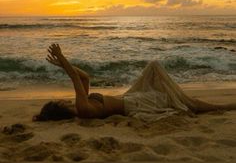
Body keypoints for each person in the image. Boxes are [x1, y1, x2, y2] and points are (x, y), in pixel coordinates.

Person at [33, 43, 236, 121]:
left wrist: (62, 65)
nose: (62, 100)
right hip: (136, 104)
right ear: (60, 110)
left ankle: (215, 105)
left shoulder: (84, 103)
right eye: (58, 102)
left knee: (154, 67)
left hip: (131, 96)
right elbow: (75, 78)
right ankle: (224, 106)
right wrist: (61, 57)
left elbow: (84, 77)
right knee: (181, 100)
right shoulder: (83, 108)